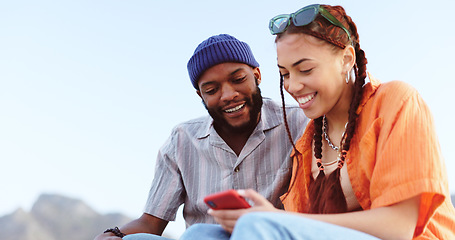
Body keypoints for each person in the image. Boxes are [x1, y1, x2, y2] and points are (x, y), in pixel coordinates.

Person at [179, 4, 455, 240]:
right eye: (285, 73)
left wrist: (275, 220)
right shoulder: (308, 140)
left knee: (258, 225)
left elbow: (399, 227)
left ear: (347, 59)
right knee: (200, 234)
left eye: (306, 69)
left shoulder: (396, 101)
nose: (293, 85)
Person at [94, 34, 308, 240]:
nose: (228, 95)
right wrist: (114, 235)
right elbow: (151, 223)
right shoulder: (181, 140)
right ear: (201, 95)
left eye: (238, 79)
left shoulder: (299, 123)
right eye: (212, 90)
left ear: (257, 75)